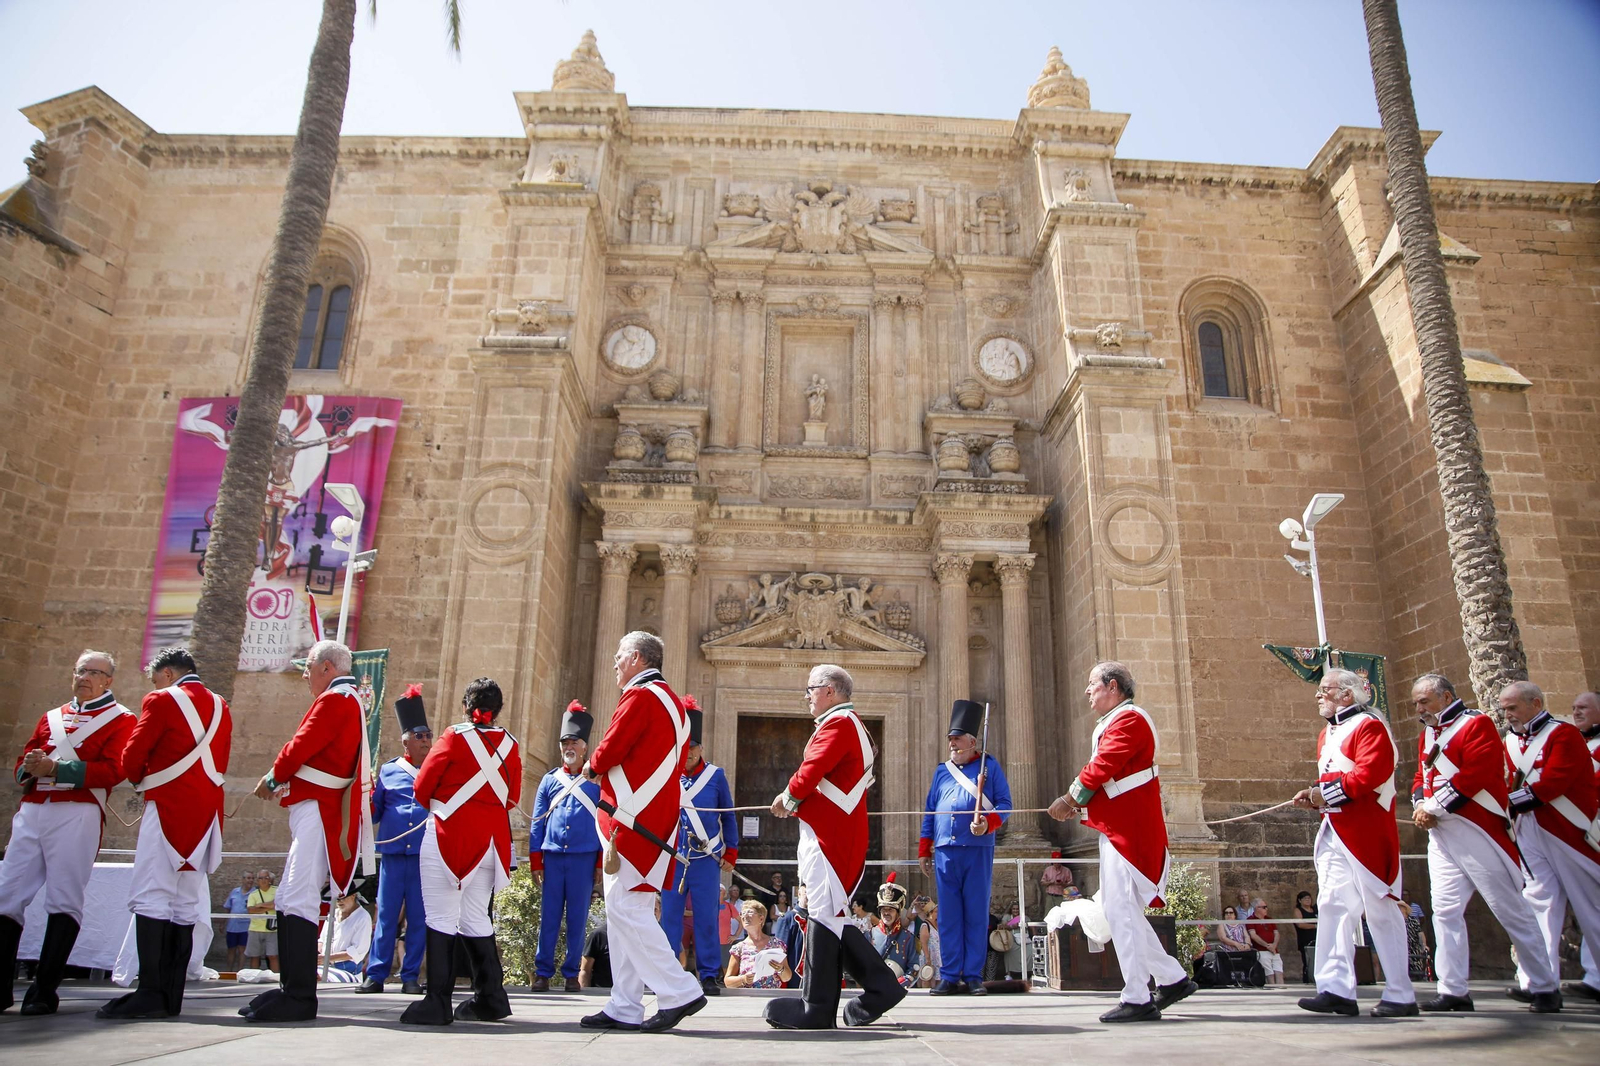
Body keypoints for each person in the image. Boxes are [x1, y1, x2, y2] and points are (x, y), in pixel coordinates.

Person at [1048, 661, 1195, 1023]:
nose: (1087, 691)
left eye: (1092, 684)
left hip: (1129, 829)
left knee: (1120, 910)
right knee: (1120, 910)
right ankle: (1171, 978)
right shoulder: (1113, 722)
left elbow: (1106, 764)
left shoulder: (1129, 719)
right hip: (1118, 826)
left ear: (1112, 686)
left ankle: (1138, 995)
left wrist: (1071, 798)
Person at [765, 664, 905, 1030]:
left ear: (829, 690)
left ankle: (816, 1009)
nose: (807, 696)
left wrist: (789, 796)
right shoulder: (846, 723)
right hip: (832, 831)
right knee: (831, 917)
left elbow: (813, 768)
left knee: (825, 915)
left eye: (810, 689)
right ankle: (880, 989)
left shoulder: (839, 723)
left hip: (832, 836)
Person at [580, 631, 706, 1033]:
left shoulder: (638, 695)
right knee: (623, 913)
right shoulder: (674, 705)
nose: (615, 663)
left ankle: (679, 990)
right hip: (655, 820)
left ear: (636, 658)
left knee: (624, 909)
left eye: (619, 656)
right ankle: (625, 1005)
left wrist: (592, 764)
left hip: (630, 820)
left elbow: (613, 746)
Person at [1407, 673, 1557, 1012]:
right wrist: (1420, 804)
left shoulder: (1476, 725)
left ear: (1445, 698)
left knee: (1510, 910)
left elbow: (1476, 773)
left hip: (1476, 829)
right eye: (1416, 702)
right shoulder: (1427, 735)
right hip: (1441, 831)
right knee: (1444, 911)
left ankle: (1545, 986)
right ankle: (1453, 989)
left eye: (1424, 701)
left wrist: (1433, 806)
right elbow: (1421, 777)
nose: (1419, 708)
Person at [239, 639, 371, 1023]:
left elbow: (302, 744)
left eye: (309, 669)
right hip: (316, 808)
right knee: (295, 897)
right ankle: (291, 988)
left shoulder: (334, 700)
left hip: (319, 810)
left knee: (296, 898)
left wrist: (273, 776)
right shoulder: (348, 699)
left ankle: (298, 995)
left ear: (327, 667)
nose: (306, 677)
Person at [98, 646, 231, 1021]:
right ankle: (171, 994)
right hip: (205, 813)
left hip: (168, 806)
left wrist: (144, 779)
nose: (155, 684)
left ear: (169, 674)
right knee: (186, 901)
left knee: (152, 895)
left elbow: (129, 760)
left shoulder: (160, 700)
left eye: (156, 677)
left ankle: (150, 992)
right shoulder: (221, 705)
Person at [0, 650, 135, 1016]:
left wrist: (55, 769)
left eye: (95, 672)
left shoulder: (122, 720)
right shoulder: (52, 717)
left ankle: (43, 990)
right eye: (81, 670)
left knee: (63, 899)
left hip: (77, 813)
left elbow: (113, 770)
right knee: (6, 896)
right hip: (33, 810)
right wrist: (29, 767)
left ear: (109, 681)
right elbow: (26, 757)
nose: (85, 677)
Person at [1291, 668, 1416, 1018]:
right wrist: (1313, 793)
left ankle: (1400, 993)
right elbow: (1333, 777)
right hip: (1335, 827)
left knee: (1380, 908)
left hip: (1366, 830)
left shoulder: (1370, 727)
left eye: (1325, 690)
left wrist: (1322, 793)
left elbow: (1369, 774)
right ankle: (1335, 988)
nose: (1318, 695)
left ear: (1347, 695)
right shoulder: (1326, 734)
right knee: (1332, 904)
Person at [402, 677, 521, 1025]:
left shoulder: (454, 736)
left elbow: (422, 786)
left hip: (449, 836)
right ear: (497, 709)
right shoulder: (510, 744)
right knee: (475, 918)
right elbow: (511, 797)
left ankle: (437, 1000)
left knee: (440, 916)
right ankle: (490, 997)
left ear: (466, 706)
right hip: (490, 842)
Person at [1502, 680, 1600, 1006]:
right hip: (1530, 829)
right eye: (1505, 709)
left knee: (1590, 908)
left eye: (1513, 708)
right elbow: (1509, 780)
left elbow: (1557, 779)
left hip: (1568, 829)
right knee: (1539, 904)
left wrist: (1510, 801)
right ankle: (1539, 982)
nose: (1508, 716)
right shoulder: (1512, 741)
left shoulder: (1563, 734)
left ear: (1535, 703)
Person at [917, 698, 1012, 995]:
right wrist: (924, 847)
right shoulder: (942, 771)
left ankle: (972, 975)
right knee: (948, 916)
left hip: (977, 849)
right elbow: (931, 810)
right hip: (945, 850)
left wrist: (987, 823)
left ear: (972, 741)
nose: (952, 745)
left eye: (957, 740)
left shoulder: (989, 766)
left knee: (975, 913)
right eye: (950, 741)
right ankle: (949, 974)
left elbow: (1005, 806)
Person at [659, 697, 738, 996]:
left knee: (706, 918)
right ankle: (668, 974)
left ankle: (708, 974)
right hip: (674, 858)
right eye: (684, 748)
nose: (689, 754)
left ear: (700, 748)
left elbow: (728, 817)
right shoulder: (669, 777)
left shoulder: (715, 776)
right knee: (669, 920)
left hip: (705, 859)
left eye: (693, 748)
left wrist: (731, 851)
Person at [359, 684, 432, 995]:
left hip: (422, 855)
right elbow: (374, 814)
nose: (426, 741)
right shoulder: (389, 771)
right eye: (420, 736)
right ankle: (375, 974)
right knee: (387, 916)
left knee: (418, 918)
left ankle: (410, 976)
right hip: (392, 853)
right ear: (406, 740)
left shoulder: (435, 771)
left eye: (428, 735)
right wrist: (368, 794)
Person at [528, 699, 602, 993]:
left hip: (584, 858)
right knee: (549, 917)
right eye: (565, 742)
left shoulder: (595, 784)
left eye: (574, 742)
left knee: (576, 918)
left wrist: (599, 863)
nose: (569, 747)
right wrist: (536, 860)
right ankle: (543, 971)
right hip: (553, 857)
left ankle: (571, 972)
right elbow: (537, 822)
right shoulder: (549, 781)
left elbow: (601, 825)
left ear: (584, 747)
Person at [1569, 690, 1600, 1002]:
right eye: (1574, 708)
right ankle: (1595, 976)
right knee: (1591, 904)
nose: (1576, 713)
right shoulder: (1575, 744)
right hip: (1585, 832)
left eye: (1583, 708)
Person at [725, 899, 794, 988]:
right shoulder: (739, 948)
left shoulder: (776, 944)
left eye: (749, 912)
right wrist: (743, 979)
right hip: (748, 999)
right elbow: (728, 982)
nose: (745, 916)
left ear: (761, 918)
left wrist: (781, 969)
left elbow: (786, 978)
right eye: (743, 913)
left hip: (771, 997)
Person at [871, 874, 920, 984]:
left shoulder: (909, 938)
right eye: (883, 909)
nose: (886, 913)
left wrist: (899, 984)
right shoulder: (869, 935)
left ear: (898, 913)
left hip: (899, 989)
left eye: (891, 910)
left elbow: (914, 969)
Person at [317, 892, 373, 982]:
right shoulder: (333, 913)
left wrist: (326, 958)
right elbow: (322, 940)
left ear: (353, 895)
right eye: (337, 899)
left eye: (342, 898)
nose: (339, 901)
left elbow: (357, 952)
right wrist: (317, 956)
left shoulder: (363, 917)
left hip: (348, 971)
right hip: (324, 966)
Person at [244, 870, 278, 972]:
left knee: (273, 956)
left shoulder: (277, 891)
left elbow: (277, 904)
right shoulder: (253, 894)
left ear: (270, 880)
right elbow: (251, 910)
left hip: (272, 929)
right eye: (261, 878)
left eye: (266, 878)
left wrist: (260, 905)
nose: (263, 880)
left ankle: (276, 979)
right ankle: (254, 977)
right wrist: (268, 907)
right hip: (255, 928)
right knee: (255, 956)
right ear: (257, 881)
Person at [1248, 899, 1284, 986]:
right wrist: (1267, 946)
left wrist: (1274, 945)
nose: (1266, 909)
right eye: (1264, 907)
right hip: (1262, 951)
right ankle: (1273, 992)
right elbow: (1253, 935)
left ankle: (1281, 990)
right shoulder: (1250, 920)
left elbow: (1276, 933)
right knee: (1269, 973)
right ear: (1257, 908)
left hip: (1274, 950)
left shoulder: (1269, 919)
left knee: (1279, 971)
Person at [223, 872, 252, 973]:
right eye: (248, 878)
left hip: (245, 927)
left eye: (252, 878)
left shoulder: (255, 893)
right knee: (231, 950)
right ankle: (229, 971)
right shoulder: (234, 892)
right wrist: (223, 922)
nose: (250, 880)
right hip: (232, 926)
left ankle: (239, 972)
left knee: (242, 950)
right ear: (243, 879)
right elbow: (227, 907)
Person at [580, 914, 613, 989]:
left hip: (635, 994)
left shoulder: (637, 935)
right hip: (602, 992)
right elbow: (585, 970)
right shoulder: (598, 935)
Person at [1292, 891, 1317, 984]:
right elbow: (1300, 924)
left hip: (1317, 939)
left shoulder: (1315, 910)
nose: (1307, 900)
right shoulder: (1298, 910)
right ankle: (1308, 980)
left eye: (1309, 898)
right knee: (1308, 961)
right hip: (1306, 939)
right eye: (1305, 898)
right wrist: (1315, 926)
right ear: (1299, 900)